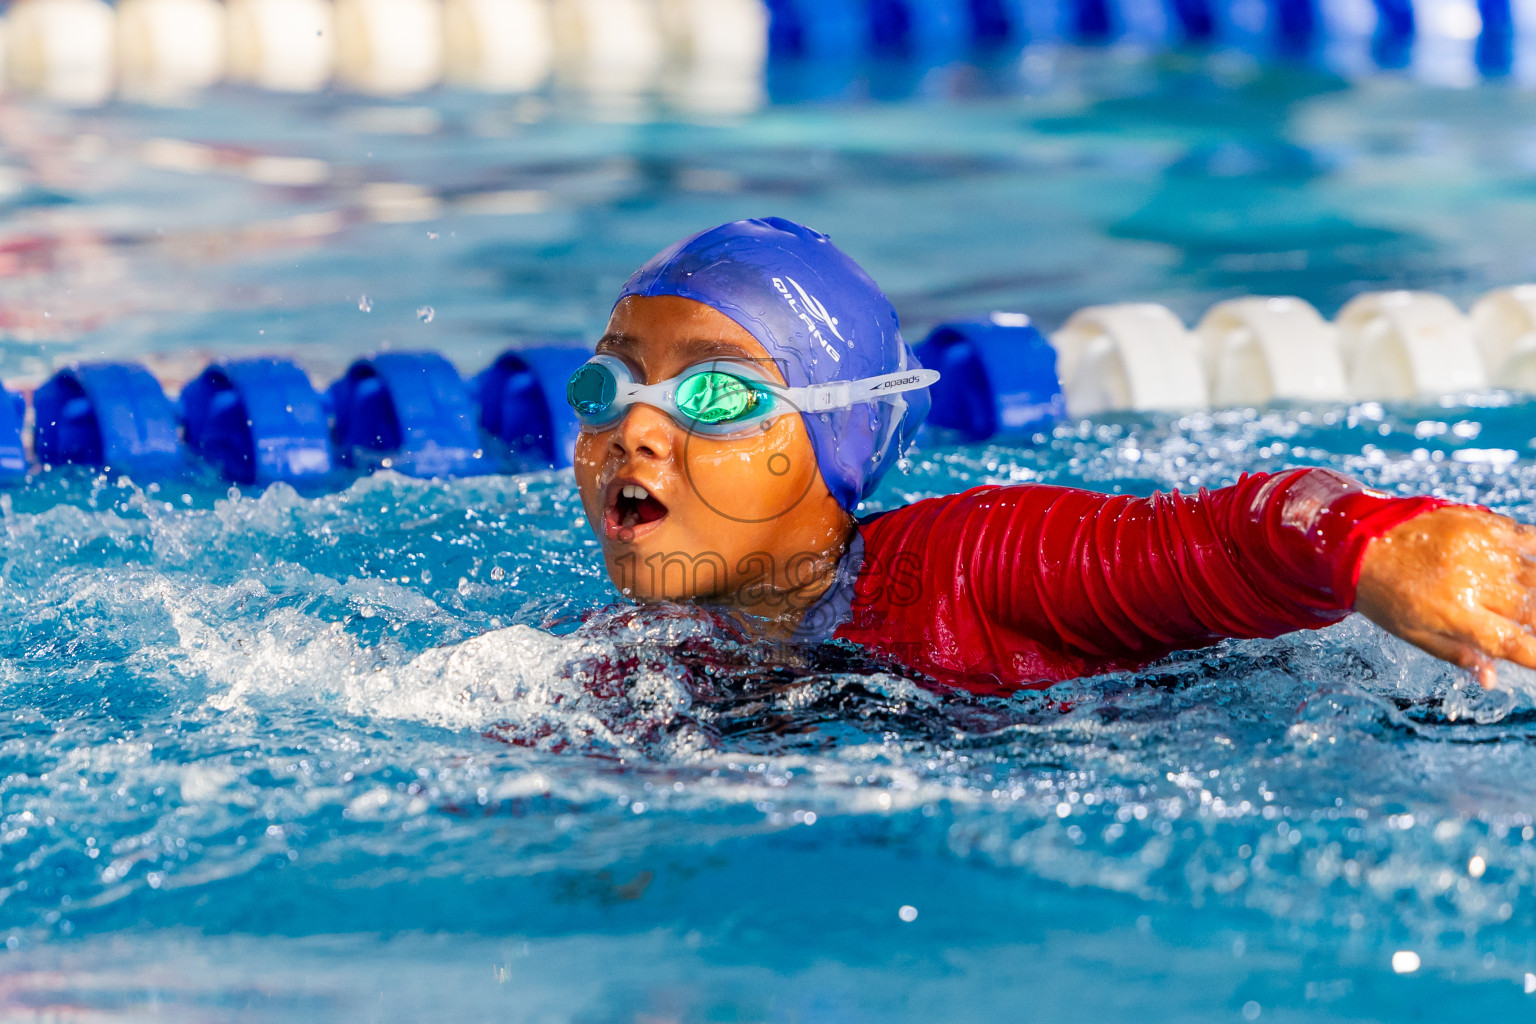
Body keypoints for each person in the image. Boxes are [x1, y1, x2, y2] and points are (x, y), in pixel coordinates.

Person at [568, 216, 1536, 694]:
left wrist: (1375, 543)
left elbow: (1222, 538)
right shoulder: (658, 654)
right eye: (607, 386)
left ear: (840, 438)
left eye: (715, 395)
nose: (634, 432)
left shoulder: (966, 562)